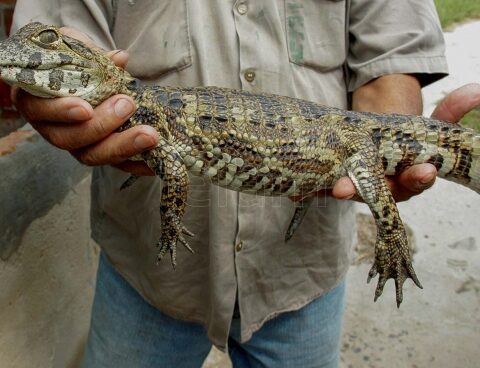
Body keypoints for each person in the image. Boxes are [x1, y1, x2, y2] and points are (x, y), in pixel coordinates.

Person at [10, 1, 480, 367]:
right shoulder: (135, 105)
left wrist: (392, 132)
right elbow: (53, 31)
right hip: (146, 279)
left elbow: (393, 51)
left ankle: (393, 243)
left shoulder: (149, 113)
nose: (28, 48)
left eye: (46, 41)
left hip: (301, 272)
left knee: (365, 162)